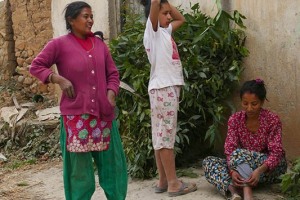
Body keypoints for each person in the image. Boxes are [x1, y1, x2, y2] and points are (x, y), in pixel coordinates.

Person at [29, 1, 127, 200]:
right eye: (85, 16)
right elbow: (36, 66)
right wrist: (58, 79)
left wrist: (110, 95)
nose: (90, 20)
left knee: (113, 168)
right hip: (76, 118)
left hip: (103, 116)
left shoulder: (99, 45)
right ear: (71, 20)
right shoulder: (59, 45)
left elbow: (113, 74)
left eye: (91, 16)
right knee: (79, 174)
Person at [143, 0, 197, 197]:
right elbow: (155, 6)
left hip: (162, 89)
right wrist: (158, 5)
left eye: (168, 13)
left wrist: (166, 4)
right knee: (166, 137)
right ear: (154, 15)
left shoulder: (165, 32)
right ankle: (174, 184)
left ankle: (163, 180)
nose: (169, 16)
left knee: (160, 136)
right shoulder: (153, 31)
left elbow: (180, 18)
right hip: (164, 89)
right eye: (164, 13)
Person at [202, 79, 287, 200]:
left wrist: (258, 171)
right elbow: (229, 149)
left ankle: (247, 192)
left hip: (267, 168)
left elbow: (276, 153)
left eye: (254, 103)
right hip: (241, 165)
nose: (249, 108)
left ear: (262, 102)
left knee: (238, 153)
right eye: (245, 103)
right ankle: (234, 192)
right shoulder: (235, 119)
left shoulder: (272, 120)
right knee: (209, 162)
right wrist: (232, 171)